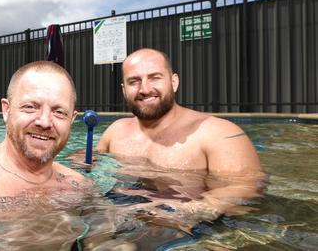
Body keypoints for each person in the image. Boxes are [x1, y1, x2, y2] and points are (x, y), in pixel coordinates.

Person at [0, 61, 100, 249]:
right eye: (30, 107)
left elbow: (108, 241)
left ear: (72, 119)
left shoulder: (81, 187)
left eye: (59, 112)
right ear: (6, 110)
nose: (45, 122)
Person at [96, 48, 264, 227]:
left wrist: (183, 212)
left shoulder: (218, 133)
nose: (144, 89)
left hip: (191, 229)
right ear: (124, 90)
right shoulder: (115, 131)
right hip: (122, 216)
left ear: (174, 82)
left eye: (155, 77)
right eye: (134, 81)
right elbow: (88, 165)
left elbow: (248, 188)